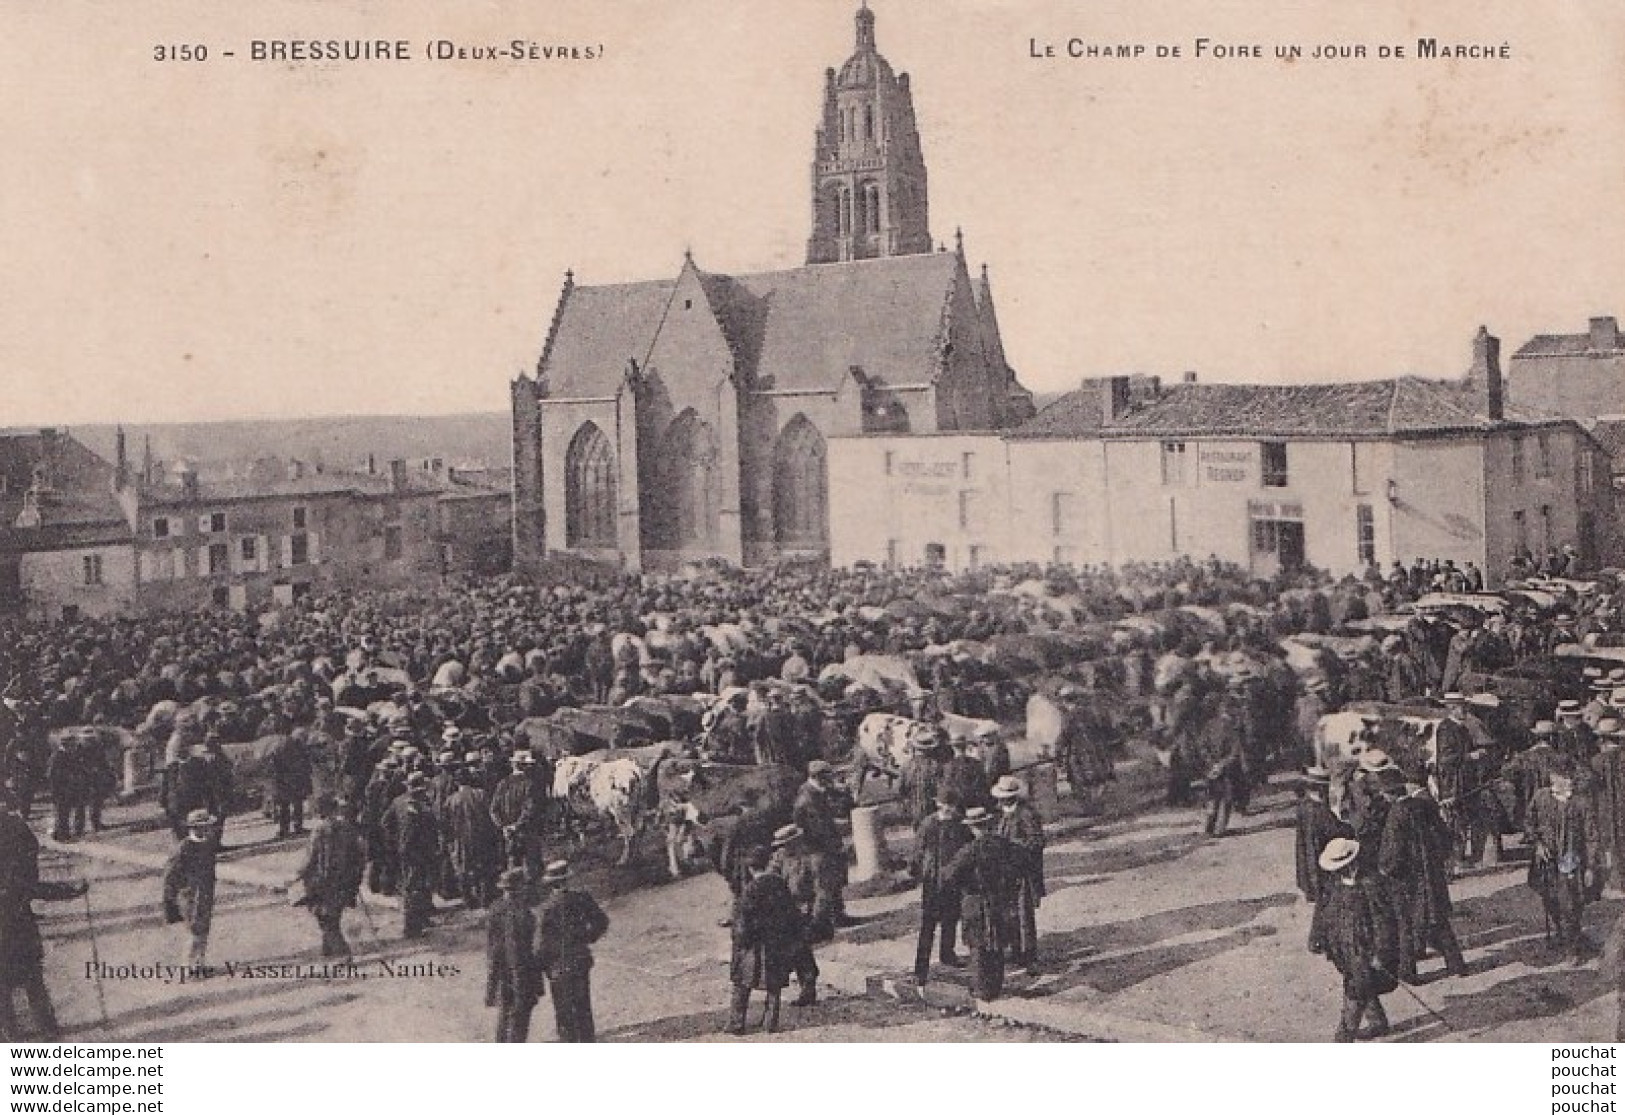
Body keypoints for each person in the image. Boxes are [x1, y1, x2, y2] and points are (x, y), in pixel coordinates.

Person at [0, 785, 85, 1040]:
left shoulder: (13, 829)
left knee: (9, 990)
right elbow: (30, 884)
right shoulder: (13, 828)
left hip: (17, 927)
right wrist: (70, 889)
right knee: (31, 982)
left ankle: (13, 1035)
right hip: (19, 928)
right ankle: (45, 1032)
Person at [1378, 777, 1468, 982]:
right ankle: (1457, 965)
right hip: (1431, 875)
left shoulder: (1396, 814)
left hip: (1408, 881)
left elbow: (1394, 853)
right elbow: (1444, 836)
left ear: (1389, 794)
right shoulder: (1424, 806)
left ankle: (1408, 973)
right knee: (1438, 921)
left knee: (1406, 925)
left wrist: (1385, 870)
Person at [1315, 836, 1400, 1042]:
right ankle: (1378, 1022)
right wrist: (1321, 940)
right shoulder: (1334, 886)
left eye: (1344, 867)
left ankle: (1343, 1038)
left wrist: (1381, 954)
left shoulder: (1371, 886)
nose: (1340, 872)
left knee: (1354, 992)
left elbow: (1384, 925)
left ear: (1353, 864)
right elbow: (1325, 915)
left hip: (1366, 953)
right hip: (1344, 951)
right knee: (1361, 985)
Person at [1526, 761, 1603, 961]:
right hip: (1547, 862)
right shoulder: (1540, 798)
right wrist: (1538, 845)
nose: (1568, 782)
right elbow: (1529, 824)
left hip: (1573, 860)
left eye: (1570, 778)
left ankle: (1573, 949)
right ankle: (1565, 933)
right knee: (1551, 900)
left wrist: (1591, 866)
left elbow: (1591, 835)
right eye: (1563, 778)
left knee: (1571, 903)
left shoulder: (1581, 802)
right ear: (1553, 778)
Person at [944, 806, 1019, 1001]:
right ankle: (996, 986)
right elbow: (1019, 865)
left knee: (978, 945)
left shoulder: (969, 851)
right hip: (1000, 899)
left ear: (972, 828)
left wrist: (963, 887)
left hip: (975, 901)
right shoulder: (1004, 844)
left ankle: (981, 990)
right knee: (998, 942)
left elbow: (950, 875)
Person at [728, 845, 803, 1035]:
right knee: (774, 985)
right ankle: (771, 1022)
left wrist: (739, 942)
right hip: (776, 943)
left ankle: (736, 1024)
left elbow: (743, 923)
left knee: (742, 985)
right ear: (768, 863)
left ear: (751, 868)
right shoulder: (779, 884)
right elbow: (791, 913)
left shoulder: (749, 890)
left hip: (753, 947)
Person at [534, 860, 609, 1042]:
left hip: (558, 966)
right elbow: (602, 921)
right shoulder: (582, 898)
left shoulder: (546, 909)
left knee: (564, 1011)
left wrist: (541, 966)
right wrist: (587, 937)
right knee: (583, 1006)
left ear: (550, 884)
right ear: (567, 879)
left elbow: (541, 944)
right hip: (580, 959)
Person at [294, 794, 366, 958]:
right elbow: (360, 854)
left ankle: (342, 953)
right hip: (345, 880)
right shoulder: (348, 828)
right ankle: (328, 950)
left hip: (323, 881)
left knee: (326, 920)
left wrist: (297, 875)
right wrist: (356, 875)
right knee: (333, 916)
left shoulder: (319, 830)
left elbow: (310, 858)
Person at [792, 761, 854, 940]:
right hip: (818, 849)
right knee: (823, 887)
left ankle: (838, 917)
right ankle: (819, 927)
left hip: (821, 846)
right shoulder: (809, 798)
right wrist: (836, 842)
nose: (831, 780)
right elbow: (819, 828)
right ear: (819, 777)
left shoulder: (815, 791)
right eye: (828, 776)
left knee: (832, 883)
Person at [911, 795, 968, 987]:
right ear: (938, 804)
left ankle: (947, 953)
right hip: (933, 881)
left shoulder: (960, 824)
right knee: (928, 925)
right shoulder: (928, 824)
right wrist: (916, 872)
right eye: (946, 804)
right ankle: (921, 969)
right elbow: (917, 851)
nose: (949, 809)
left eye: (952, 804)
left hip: (952, 879)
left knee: (951, 919)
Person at [1294, 766, 1352, 951]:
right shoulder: (1320, 812)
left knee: (1322, 903)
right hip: (1322, 865)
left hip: (1310, 864)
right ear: (1319, 789)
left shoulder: (1304, 806)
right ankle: (1318, 939)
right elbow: (1336, 830)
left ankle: (1317, 939)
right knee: (1327, 902)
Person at [992, 775, 1046, 975]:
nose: (1001, 801)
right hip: (1004, 873)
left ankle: (1028, 954)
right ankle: (1014, 949)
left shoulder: (1026, 814)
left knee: (1024, 914)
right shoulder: (1000, 815)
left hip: (1022, 872)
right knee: (1008, 913)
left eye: (1004, 797)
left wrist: (1013, 848)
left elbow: (1036, 842)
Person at [765, 824, 820, 1006]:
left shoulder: (810, 858)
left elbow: (819, 888)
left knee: (802, 949)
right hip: (786, 909)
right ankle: (806, 985)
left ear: (796, 842)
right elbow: (770, 876)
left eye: (786, 844)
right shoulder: (780, 857)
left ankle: (808, 987)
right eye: (781, 845)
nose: (782, 848)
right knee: (794, 950)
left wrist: (815, 913)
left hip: (805, 908)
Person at [485, 867, 542, 1043]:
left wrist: (491, 981)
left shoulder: (495, 909)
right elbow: (527, 949)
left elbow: (492, 946)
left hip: (501, 969)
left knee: (505, 1012)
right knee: (520, 1015)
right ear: (519, 888)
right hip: (521, 971)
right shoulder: (523, 913)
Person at [162, 808, 220, 969]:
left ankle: (200, 963)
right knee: (194, 930)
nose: (208, 829)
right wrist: (172, 898)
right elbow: (170, 875)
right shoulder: (183, 848)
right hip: (189, 896)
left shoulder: (209, 843)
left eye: (209, 826)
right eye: (204, 826)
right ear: (194, 828)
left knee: (204, 929)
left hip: (206, 894)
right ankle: (187, 966)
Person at [388, 772, 441, 938]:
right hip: (417, 851)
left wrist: (396, 840)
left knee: (420, 885)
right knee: (414, 887)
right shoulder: (421, 807)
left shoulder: (397, 802)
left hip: (409, 850)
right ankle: (411, 927)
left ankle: (422, 918)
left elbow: (386, 822)